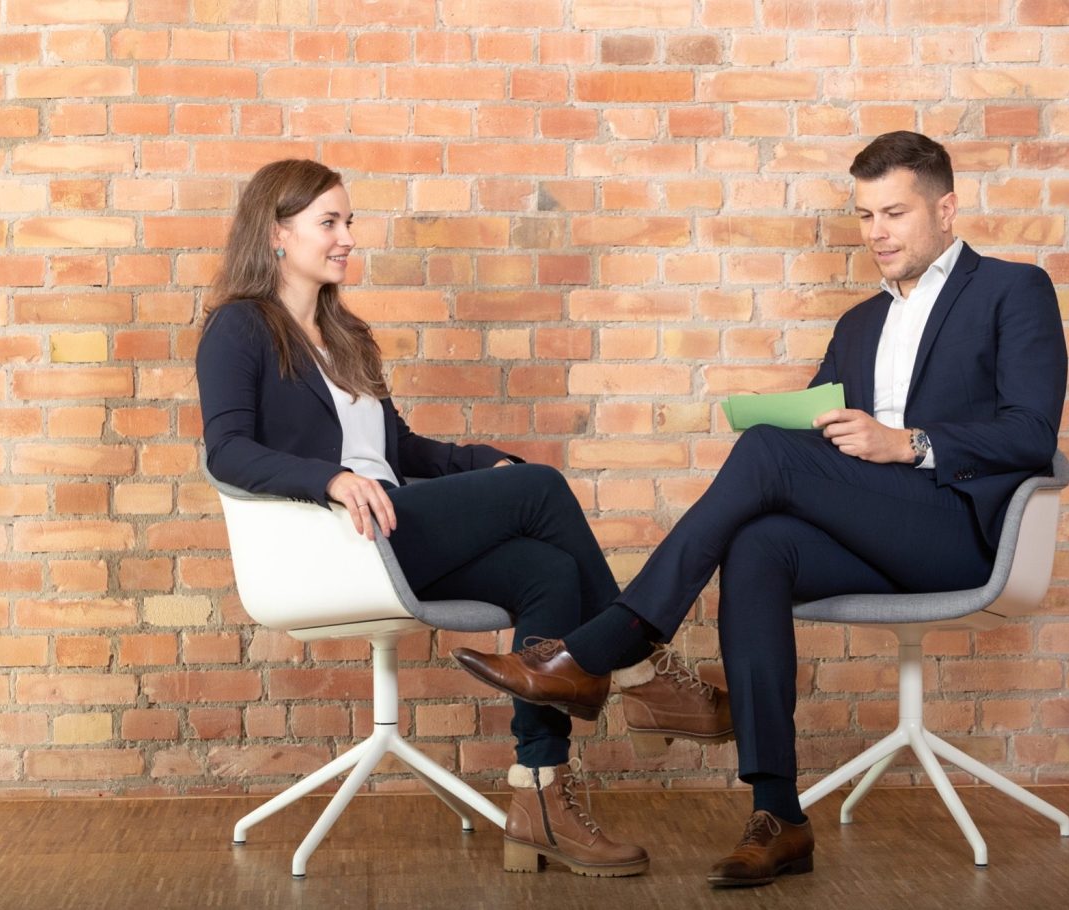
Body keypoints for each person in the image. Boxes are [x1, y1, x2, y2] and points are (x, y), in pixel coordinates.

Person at [452, 131, 1069, 887]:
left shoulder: (1012, 289)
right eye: (865, 215)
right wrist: (797, 423)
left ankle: (609, 644)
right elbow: (818, 445)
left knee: (768, 457)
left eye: (895, 213)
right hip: (874, 530)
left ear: (945, 210)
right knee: (758, 546)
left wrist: (907, 443)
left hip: (957, 533)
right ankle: (779, 816)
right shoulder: (858, 325)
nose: (876, 233)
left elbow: (1033, 433)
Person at [195, 159, 732, 879]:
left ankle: (539, 799)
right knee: (542, 491)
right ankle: (637, 669)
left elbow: (400, 450)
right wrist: (330, 479)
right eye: (329, 222)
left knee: (549, 570)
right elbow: (227, 451)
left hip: (397, 529)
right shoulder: (238, 328)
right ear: (276, 233)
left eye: (349, 221)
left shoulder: (345, 334)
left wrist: (484, 463)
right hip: (338, 540)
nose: (347, 237)